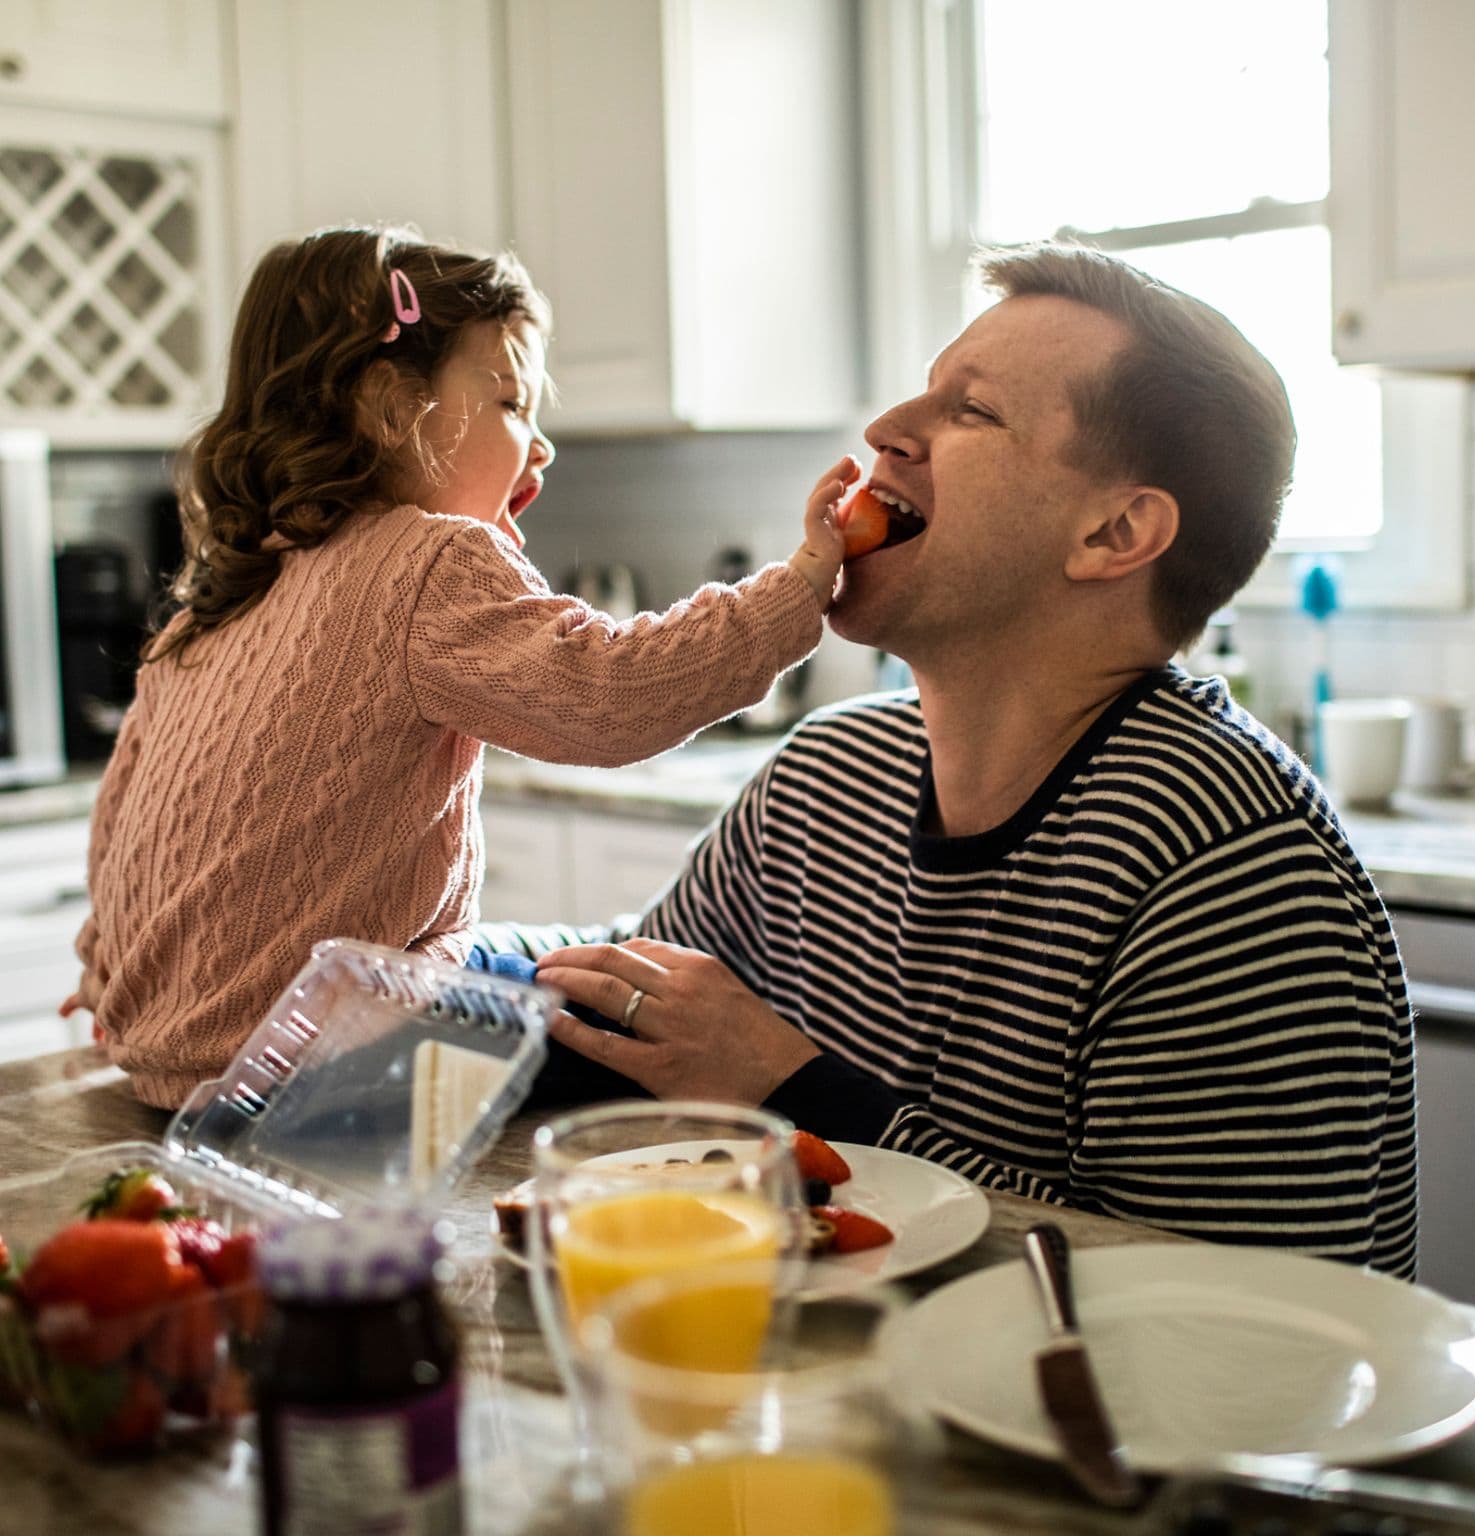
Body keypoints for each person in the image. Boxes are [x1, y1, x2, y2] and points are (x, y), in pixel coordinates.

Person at [486, 243, 1420, 1278]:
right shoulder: (829, 777)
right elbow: (637, 1003)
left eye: (969, 411)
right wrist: (398, 962)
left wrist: (787, 1086)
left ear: (1114, 531)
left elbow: (1211, 1313)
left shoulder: (1227, 870)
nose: (886, 430)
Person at [66, 226, 853, 1109]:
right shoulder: (425, 564)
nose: (542, 446)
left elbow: (121, 833)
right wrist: (801, 586)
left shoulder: (213, 604)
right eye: (513, 404)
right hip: (338, 1058)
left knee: (543, 960)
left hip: (172, 1065)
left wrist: (113, 974)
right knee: (654, 1026)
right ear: (389, 405)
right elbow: (610, 695)